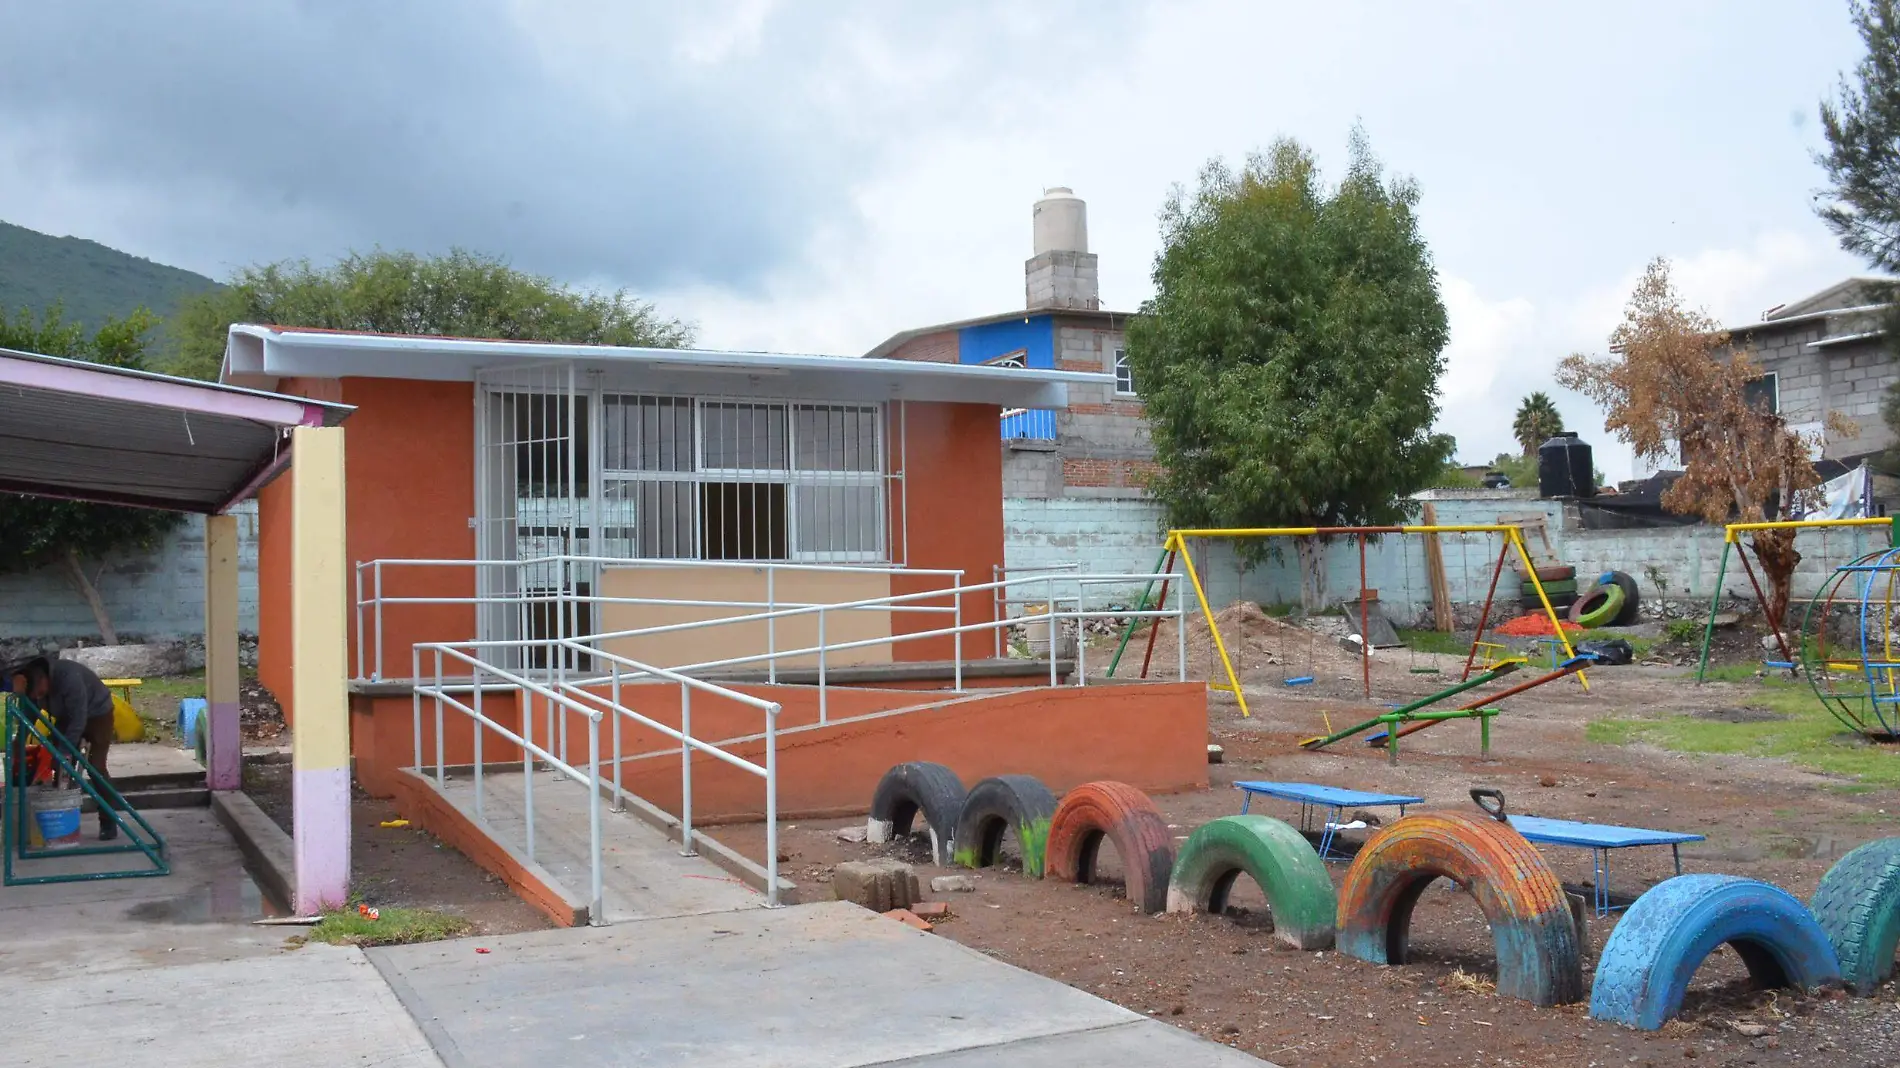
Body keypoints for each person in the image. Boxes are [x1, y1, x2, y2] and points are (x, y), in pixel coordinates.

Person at [8, 656, 119, 840]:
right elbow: (28, 713)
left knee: (96, 767)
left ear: (45, 680)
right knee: (56, 763)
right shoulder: (31, 683)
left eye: (39, 694)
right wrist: (19, 741)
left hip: (97, 714)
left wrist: (65, 751)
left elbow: (78, 719)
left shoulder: (69, 678)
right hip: (66, 716)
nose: (37, 698)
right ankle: (62, 818)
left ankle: (108, 821)